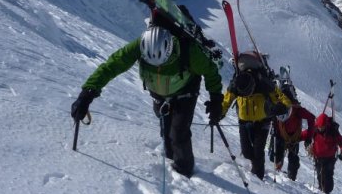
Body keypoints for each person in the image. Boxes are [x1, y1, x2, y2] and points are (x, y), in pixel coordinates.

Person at [70, 24, 223, 178]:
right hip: (158, 96)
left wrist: (216, 100)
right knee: (166, 131)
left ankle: (184, 172)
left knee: (178, 133)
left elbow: (211, 72)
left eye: (163, 62)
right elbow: (112, 66)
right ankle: (170, 160)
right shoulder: (139, 46)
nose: (159, 66)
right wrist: (87, 94)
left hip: (185, 94)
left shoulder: (189, 51)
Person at [218, 51, 291, 180]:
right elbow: (227, 100)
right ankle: (255, 166)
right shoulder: (236, 84)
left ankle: (258, 178)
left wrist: (283, 106)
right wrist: (219, 113)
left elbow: (279, 96)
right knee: (246, 152)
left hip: (262, 122)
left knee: (258, 152)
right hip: (244, 121)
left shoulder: (263, 83)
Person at [270, 82, 315, 181]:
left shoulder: (296, 110)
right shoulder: (279, 108)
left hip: (292, 139)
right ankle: (280, 166)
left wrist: (308, 137)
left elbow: (312, 118)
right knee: (276, 157)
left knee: (293, 160)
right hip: (282, 137)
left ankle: (291, 179)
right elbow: (311, 118)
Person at [310, 113, 342, 194]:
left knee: (328, 175)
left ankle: (326, 192)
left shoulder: (333, 131)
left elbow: (341, 143)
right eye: (319, 126)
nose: (320, 128)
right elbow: (306, 134)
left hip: (330, 158)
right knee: (320, 175)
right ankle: (322, 189)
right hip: (318, 157)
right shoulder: (315, 129)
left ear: (326, 125)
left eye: (322, 127)